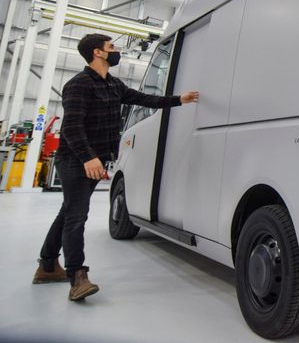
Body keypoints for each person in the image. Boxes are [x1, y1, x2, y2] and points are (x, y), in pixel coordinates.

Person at [32, 33, 199, 301]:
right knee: (77, 215)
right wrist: (88, 158)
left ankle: (48, 265)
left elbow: (143, 98)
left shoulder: (113, 84)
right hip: (75, 160)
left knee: (68, 212)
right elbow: (72, 128)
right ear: (98, 53)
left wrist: (180, 99)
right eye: (111, 47)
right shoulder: (78, 85)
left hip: (93, 160)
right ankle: (77, 277)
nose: (116, 50)